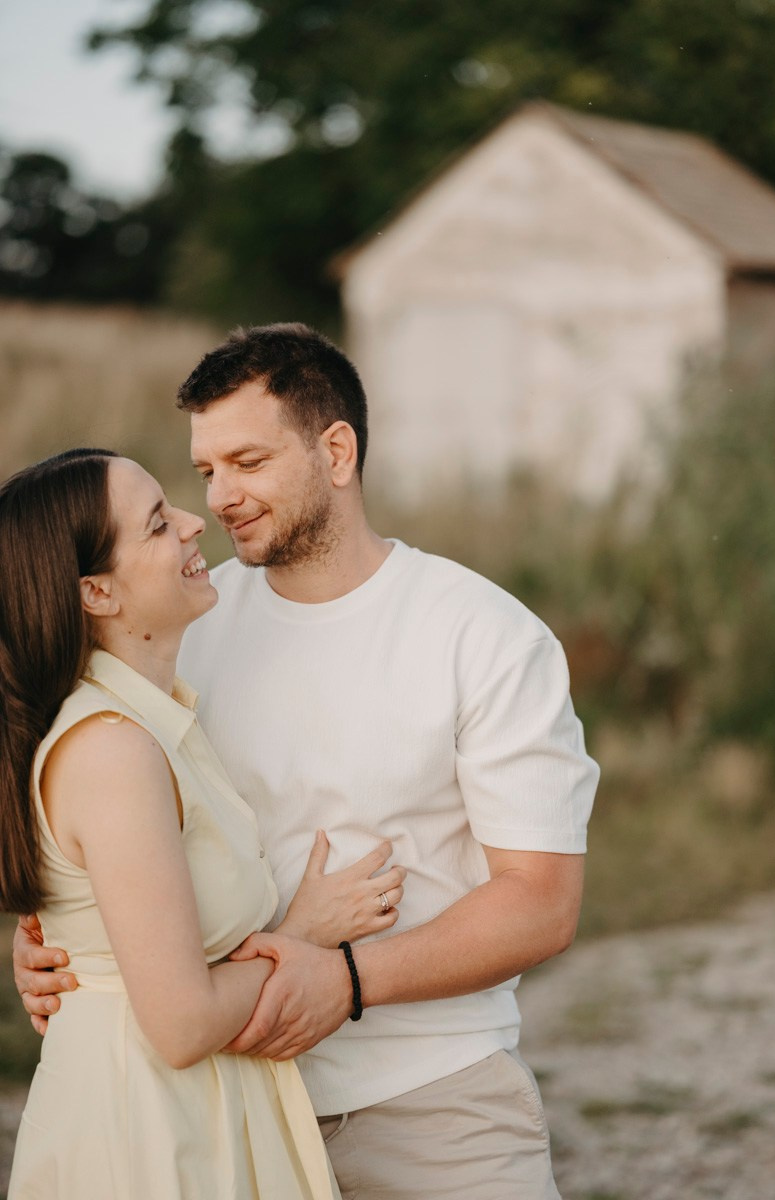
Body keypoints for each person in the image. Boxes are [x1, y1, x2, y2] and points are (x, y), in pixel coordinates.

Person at [15, 324, 600, 1200]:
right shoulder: (185, 626)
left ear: (336, 450)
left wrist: (349, 981)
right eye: (207, 471)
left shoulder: (483, 635)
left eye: (247, 462)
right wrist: (63, 949)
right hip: (227, 1104)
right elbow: (105, 826)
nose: (219, 499)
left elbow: (541, 904)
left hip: (428, 1100)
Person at [1, 447, 406, 1199]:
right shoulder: (113, 751)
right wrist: (302, 937)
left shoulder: (155, 722)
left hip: (190, 1114)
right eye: (158, 524)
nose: (195, 522)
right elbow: (183, 1022)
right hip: (147, 1134)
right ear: (96, 591)